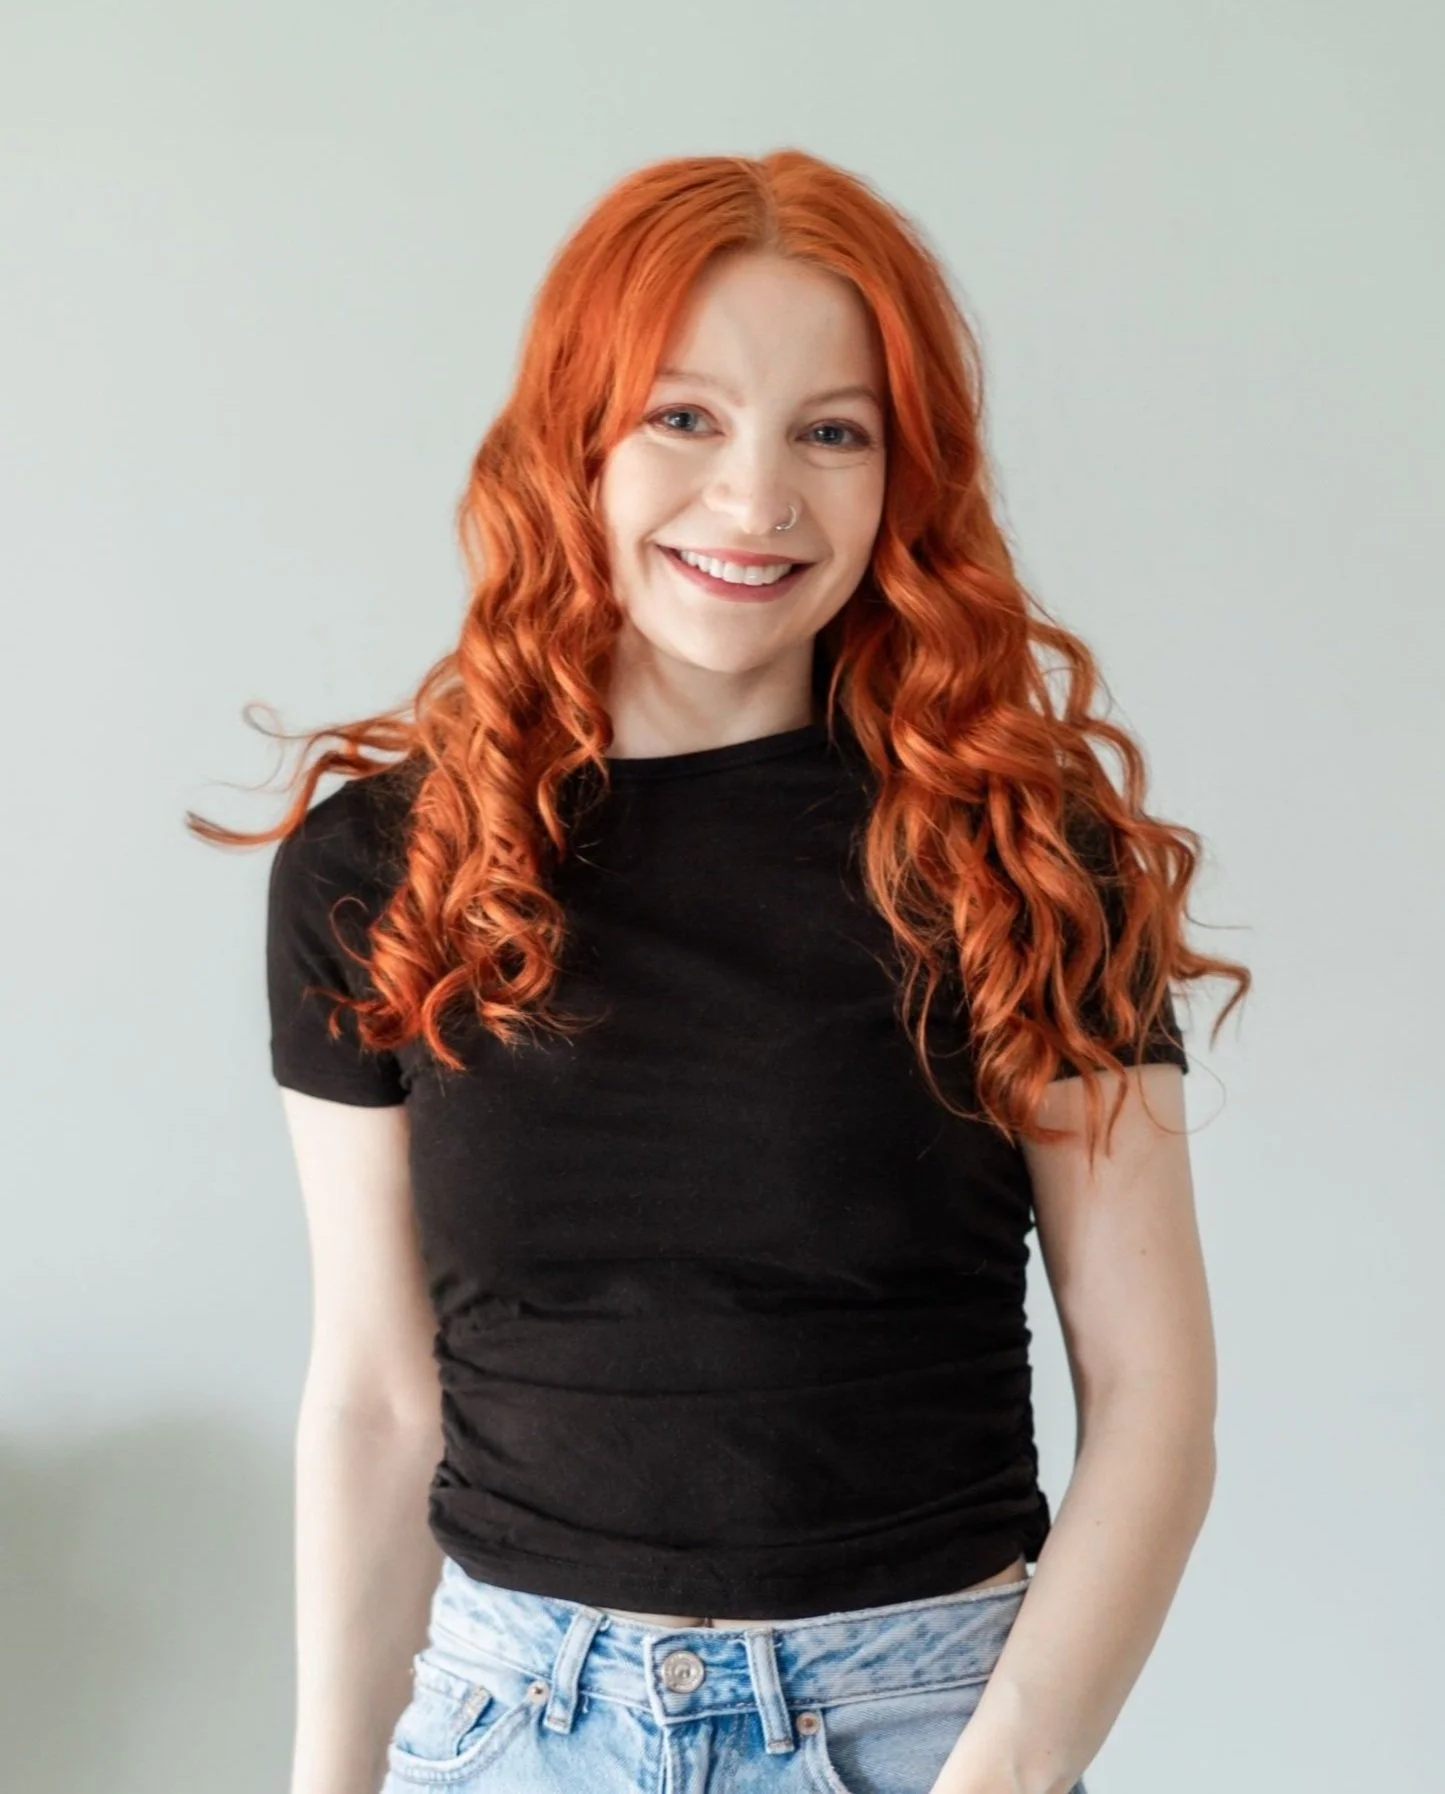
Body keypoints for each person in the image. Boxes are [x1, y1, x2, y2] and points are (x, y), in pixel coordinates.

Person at [192, 149, 1248, 1794]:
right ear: (577, 439)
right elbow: (381, 1404)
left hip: (917, 1722)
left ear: (903, 477)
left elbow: (1155, 1392)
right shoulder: (380, 873)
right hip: (506, 1727)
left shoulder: (1024, 857)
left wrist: (1007, 1770)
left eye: (832, 432)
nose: (759, 502)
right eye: (686, 417)